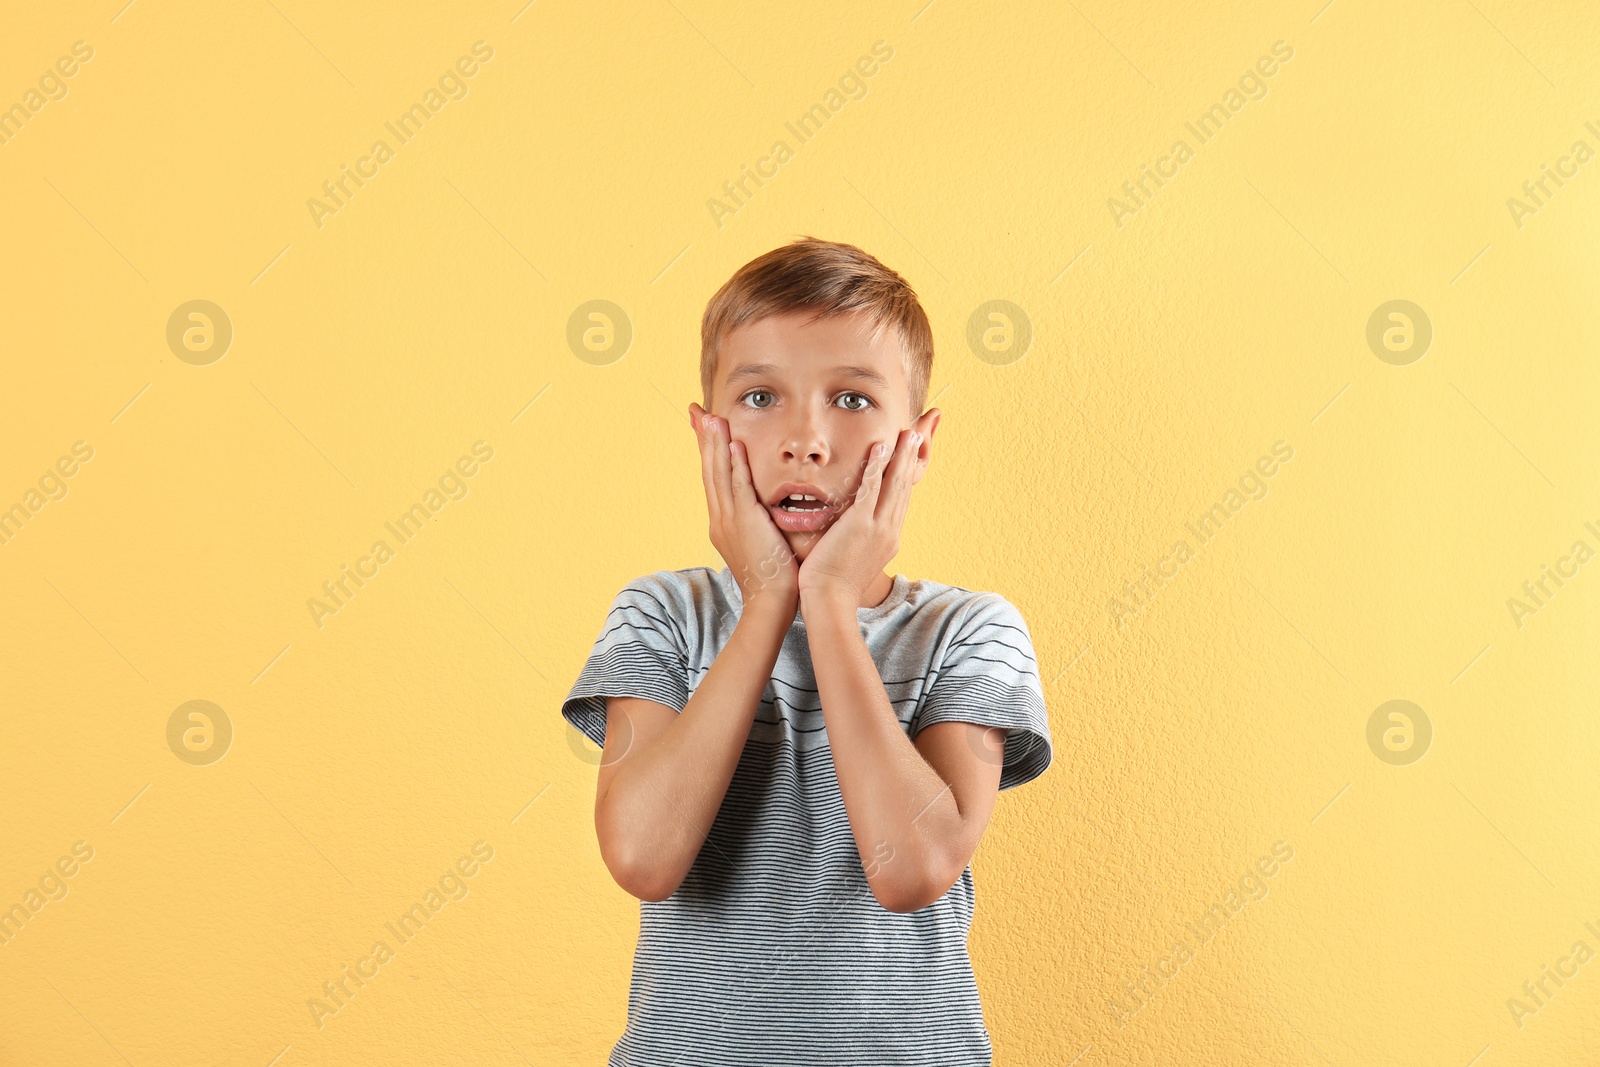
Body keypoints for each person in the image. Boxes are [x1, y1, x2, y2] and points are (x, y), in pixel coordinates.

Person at [561, 235, 1053, 1065]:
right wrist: (764, 601)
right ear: (709, 434)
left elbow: (913, 868)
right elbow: (644, 855)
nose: (806, 440)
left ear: (917, 446)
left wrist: (826, 600)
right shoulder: (662, 615)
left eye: (853, 401)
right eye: (760, 396)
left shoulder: (971, 631)